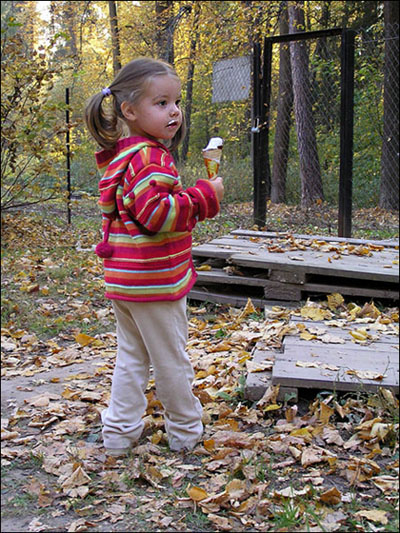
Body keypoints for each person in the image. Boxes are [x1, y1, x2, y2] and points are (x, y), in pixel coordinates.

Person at [84, 57, 224, 456]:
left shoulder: (124, 155)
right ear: (129, 111)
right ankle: (185, 431)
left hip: (126, 280)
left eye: (176, 102)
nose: (174, 111)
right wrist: (205, 195)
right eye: (161, 103)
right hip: (155, 281)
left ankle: (119, 433)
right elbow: (158, 215)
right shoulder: (150, 158)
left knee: (132, 357)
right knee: (170, 360)